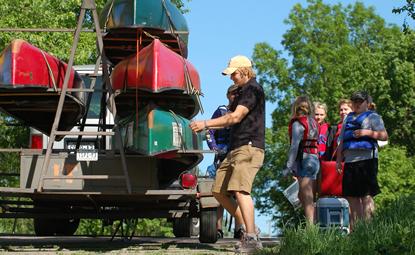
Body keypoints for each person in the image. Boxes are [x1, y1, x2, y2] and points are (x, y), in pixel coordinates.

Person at [190, 55, 265, 253]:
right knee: (218, 191)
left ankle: (251, 239)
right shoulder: (241, 91)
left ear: (245, 71)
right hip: (234, 148)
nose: (231, 77)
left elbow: (235, 117)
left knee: (240, 191)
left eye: (233, 73)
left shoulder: (252, 89)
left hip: (248, 147)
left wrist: (205, 123)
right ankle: (250, 228)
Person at [336, 91, 388, 230]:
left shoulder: (373, 117)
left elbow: (384, 136)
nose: (357, 104)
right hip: (350, 161)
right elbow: (341, 140)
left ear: (367, 103)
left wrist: (368, 133)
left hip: (367, 159)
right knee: (352, 197)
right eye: (354, 101)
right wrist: (339, 159)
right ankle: (357, 231)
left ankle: (369, 230)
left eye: (360, 101)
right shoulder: (348, 118)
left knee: (366, 195)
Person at [205, 84, 239, 239]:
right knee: (219, 193)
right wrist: (214, 147)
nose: (235, 96)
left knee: (239, 193)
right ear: (227, 95)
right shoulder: (222, 111)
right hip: (221, 157)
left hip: (239, 157)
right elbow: (210, 130)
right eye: (232, 93)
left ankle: (240, 228)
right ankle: (218, 228)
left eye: (238, 93)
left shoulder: (244, 111)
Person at [285, 96, 320, 224]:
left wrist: (288, 166)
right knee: (304, 195)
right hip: (315, 159)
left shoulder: (298, 123)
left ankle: (311, 230)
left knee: (307, 197)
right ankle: (312, 224)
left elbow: (294, 146)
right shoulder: (314, 123)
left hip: (305, 158)